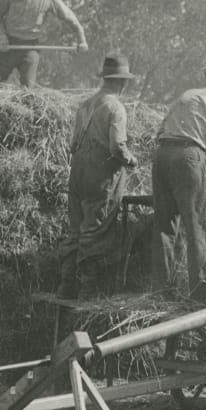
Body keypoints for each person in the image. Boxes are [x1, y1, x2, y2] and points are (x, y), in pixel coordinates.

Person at [151, 60, 206, 300]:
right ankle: (200, 290)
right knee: (197, 226)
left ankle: (161, 290)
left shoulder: (187, 96)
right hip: (189, 156)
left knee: (164, 226)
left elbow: (160, 132)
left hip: (161, 155)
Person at [56, 53, 139, 299]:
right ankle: (87, 289)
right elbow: (116, 147)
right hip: (99, 176)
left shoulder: (85, 104)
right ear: (122, 82)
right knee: (95, 229)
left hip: (78, 172)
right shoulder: (116, 107)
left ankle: (65, 284)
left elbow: (71, 144)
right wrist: (131, 160)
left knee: (75, 229)